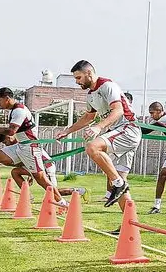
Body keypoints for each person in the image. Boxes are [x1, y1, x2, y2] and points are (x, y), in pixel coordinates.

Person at [55, 61, 141, 209]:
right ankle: (129, 228)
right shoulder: (90, 95)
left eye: (79, 78)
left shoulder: (108, 86)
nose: (77, 82)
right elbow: (89, 117)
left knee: (92, 147)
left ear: (89, 74)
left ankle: (118, 184)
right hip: (119, 132)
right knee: (120, 183)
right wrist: (67, 131)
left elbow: (118, 110)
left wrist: (98, 127)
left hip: (128, 129)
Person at [0, 87, 68, 210]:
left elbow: (11, 132)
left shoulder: (19, 110)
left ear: (7, 98)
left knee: (41, 179)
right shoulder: (13, 111)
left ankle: (62, 203)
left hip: (30, 147)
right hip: (21, 145)